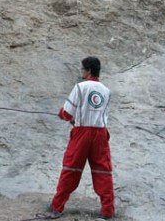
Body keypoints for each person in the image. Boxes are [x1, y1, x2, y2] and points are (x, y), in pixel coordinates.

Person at [48, 56, 115, 219]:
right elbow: (102, 114)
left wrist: (63, 115)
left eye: (83, 69)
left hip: (82, 134)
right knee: (102, 170)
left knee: (71, 168)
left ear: (89, 70)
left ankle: (57, 206)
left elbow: (67, 113)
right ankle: (108, 210)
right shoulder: (106, 90)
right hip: (100, 133)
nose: (82, 71)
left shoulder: (80, 87)